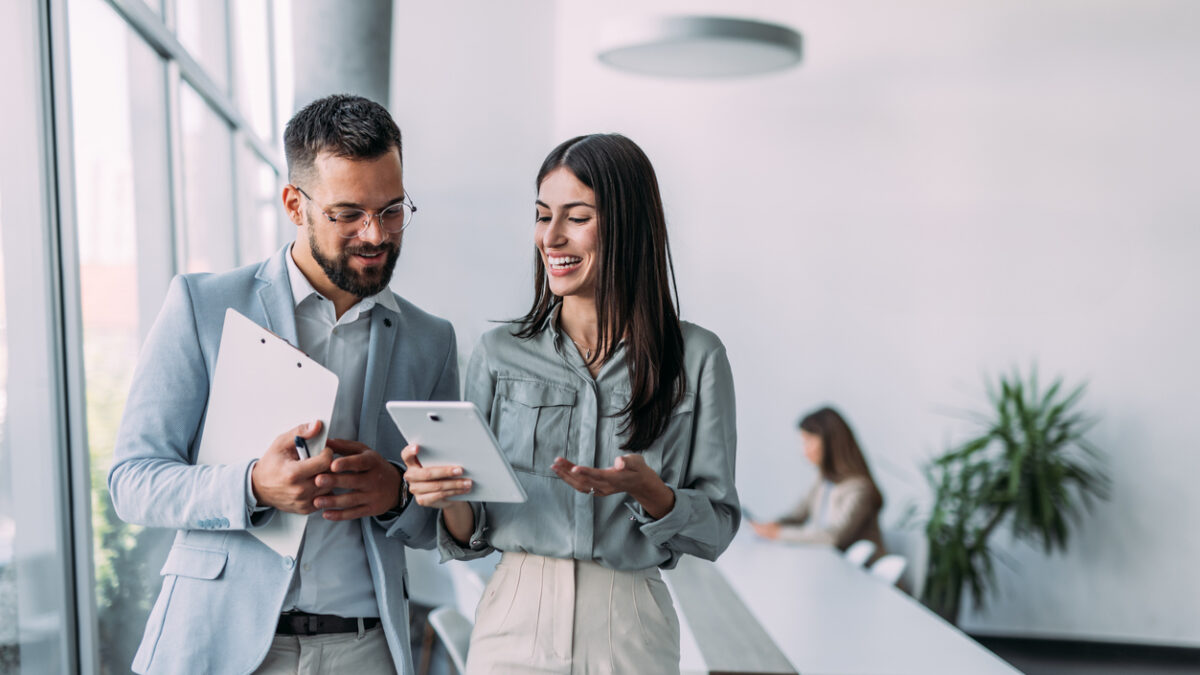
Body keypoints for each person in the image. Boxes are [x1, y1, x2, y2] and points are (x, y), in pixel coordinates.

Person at [108, 94, 460, 675]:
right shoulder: (203, 307)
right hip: (220, 642)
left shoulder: (431, 340)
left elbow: (444, 517)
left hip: (366, 649)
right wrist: (251, 486)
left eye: (392, 210)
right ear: (295, 205)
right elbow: (133, 482)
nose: (375, 235)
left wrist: (396, 494)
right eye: (347, 214)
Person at [402, 133, 740, 674]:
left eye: (576, 217)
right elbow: (473, 533)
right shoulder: (497, 354)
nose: (551, 237)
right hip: (514, 616)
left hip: (630, 622)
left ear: (628, 226)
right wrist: (444, 496)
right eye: (542, 216)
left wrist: (651, 492)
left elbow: (716, 527)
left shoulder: (697, 358)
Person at [749, 407, 886, 563]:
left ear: (830, 443)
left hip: (861, 576)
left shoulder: (859, 488)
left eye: (808, 442)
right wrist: (774, 525)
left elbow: (833, 537)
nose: (804, 451)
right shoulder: (824, 482)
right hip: (828, 565)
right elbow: (798, 515)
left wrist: (778, 533)